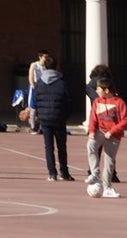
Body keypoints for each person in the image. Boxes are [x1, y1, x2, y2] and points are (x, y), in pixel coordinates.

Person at [86, 76, 127, 199]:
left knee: (109, 161)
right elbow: (93, 118)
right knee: (91, 144)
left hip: (113, 135)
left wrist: (112, 131)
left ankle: (107, 187)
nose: (97, 91)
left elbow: (125, 121)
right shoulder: (97, 102)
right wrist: (91, 131)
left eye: (99, 89)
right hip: (100, 131)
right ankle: (94, 173)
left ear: (106, 90)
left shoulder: (119, 102)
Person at [32, 54, 73, 182]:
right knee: (62, 146)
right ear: (56, 67)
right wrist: (66, 115)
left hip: (45, 119)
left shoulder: (39, 83)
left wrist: (40, 114)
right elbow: (68, 101)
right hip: (59, 118)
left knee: (48, 146)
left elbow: (35, 101)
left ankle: (51, 173)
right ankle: (64, 173)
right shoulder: (62, 83)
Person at [26, 50, 48, 134]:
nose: (46, 59)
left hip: (43, 88)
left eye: (47, 57)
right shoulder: (34, 65)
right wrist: (33, 86)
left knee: (42, 108)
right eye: (45, 57)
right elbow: (30, 76)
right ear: (40, 57)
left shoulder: (46, 67)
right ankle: (32, 127)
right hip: (34, 87)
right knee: (33, 108)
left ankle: (41, 127)